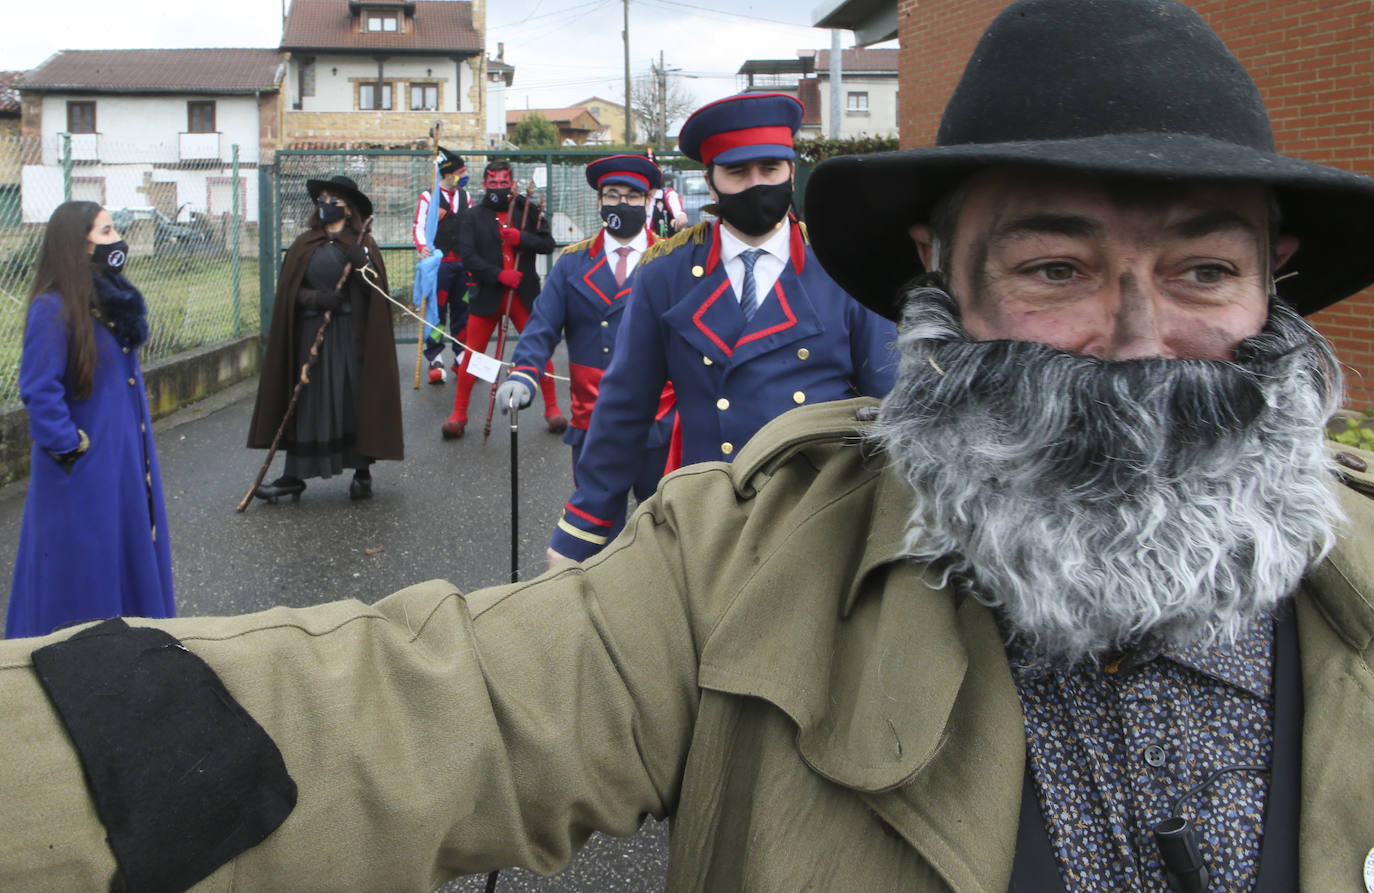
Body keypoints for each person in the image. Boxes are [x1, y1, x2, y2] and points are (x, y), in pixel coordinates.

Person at [5, 2, 1374, 890]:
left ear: (1274, 286)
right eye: (1056, 266)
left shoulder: (1352, 584)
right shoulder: (745, 553)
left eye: (1201, 270)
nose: (1136, 335)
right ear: (941, 279)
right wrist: (577, 531)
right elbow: (401, 710)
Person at [545, 92, 898, 564]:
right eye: (737, 172)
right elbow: (624, 407)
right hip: (708, 522)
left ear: (791, 172)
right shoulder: (665, 274)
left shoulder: (843, 267)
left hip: (819, 524)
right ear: (711, 182)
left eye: (770, 169)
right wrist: (582, 530)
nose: (757, 185)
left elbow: (892, 407)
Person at [5, 200, 175, 638]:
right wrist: (69, 447)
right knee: (82, 568)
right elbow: (39, 387)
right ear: (77, 245)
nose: (116, 238)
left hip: (123, 461)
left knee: (124, 552)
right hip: (80, 468)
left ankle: (132, 648)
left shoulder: (114, 303)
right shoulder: (52, 308)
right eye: (105, 231)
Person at [494, 154, 675, 498]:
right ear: (599, 201)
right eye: (613, 195)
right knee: (595, 532)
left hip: (659, 422)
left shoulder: (672, 260)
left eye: (633, 196)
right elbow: (541, 326)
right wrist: (523, 373)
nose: (622, 204)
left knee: (662, 530)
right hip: (594, 419)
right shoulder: (572, 264)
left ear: (649, 201)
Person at [246, 175, 403, 502]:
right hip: (311, 333)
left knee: (353, 397)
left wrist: (363, 265)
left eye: (334, 201)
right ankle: (293, 476)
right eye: (322, 200)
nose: (326, 206)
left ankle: (362, 473)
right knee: (307, 400)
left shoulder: (362, 244)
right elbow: (289, 294)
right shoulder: (304, 244)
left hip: (351, 335)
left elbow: (376, 291)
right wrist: (317, 300)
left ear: (349, 209)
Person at [441, 160, 567, 438]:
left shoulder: (528, 210)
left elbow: (548, 243)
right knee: (472, 354)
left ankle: (552, 409)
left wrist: (520, 237)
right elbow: (467, 255)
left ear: (512, 183)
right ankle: (459, 413)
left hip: (523, 295)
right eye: (493, 182)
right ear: (485, 184)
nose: (498, 187)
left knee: (540, 350)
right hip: (488, 294)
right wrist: (498, 275)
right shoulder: (473, 216)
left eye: (504, 182)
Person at [413, 146, 471, 384]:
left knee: (463, 311)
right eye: (460, 171)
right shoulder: (429, 196)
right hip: (440, 266)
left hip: (463, 265)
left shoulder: (467, 197)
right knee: (436, 313)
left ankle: (462, 355)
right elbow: (418, 225)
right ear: (447, 174)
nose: (464, 175)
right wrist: (422, 246)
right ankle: (435, 357)